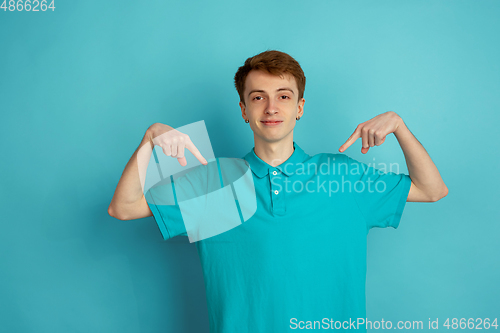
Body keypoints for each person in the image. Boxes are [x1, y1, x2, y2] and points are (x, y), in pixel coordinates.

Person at [108, 50, 448, 333]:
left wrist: (399, 126)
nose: (271, 108)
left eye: (284, 96)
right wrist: (150, 140)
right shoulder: (216, 184)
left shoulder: (342, 176)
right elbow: (123, 208)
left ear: (299, 107)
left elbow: (431, 189)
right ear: (244, 110)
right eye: (258, 97)